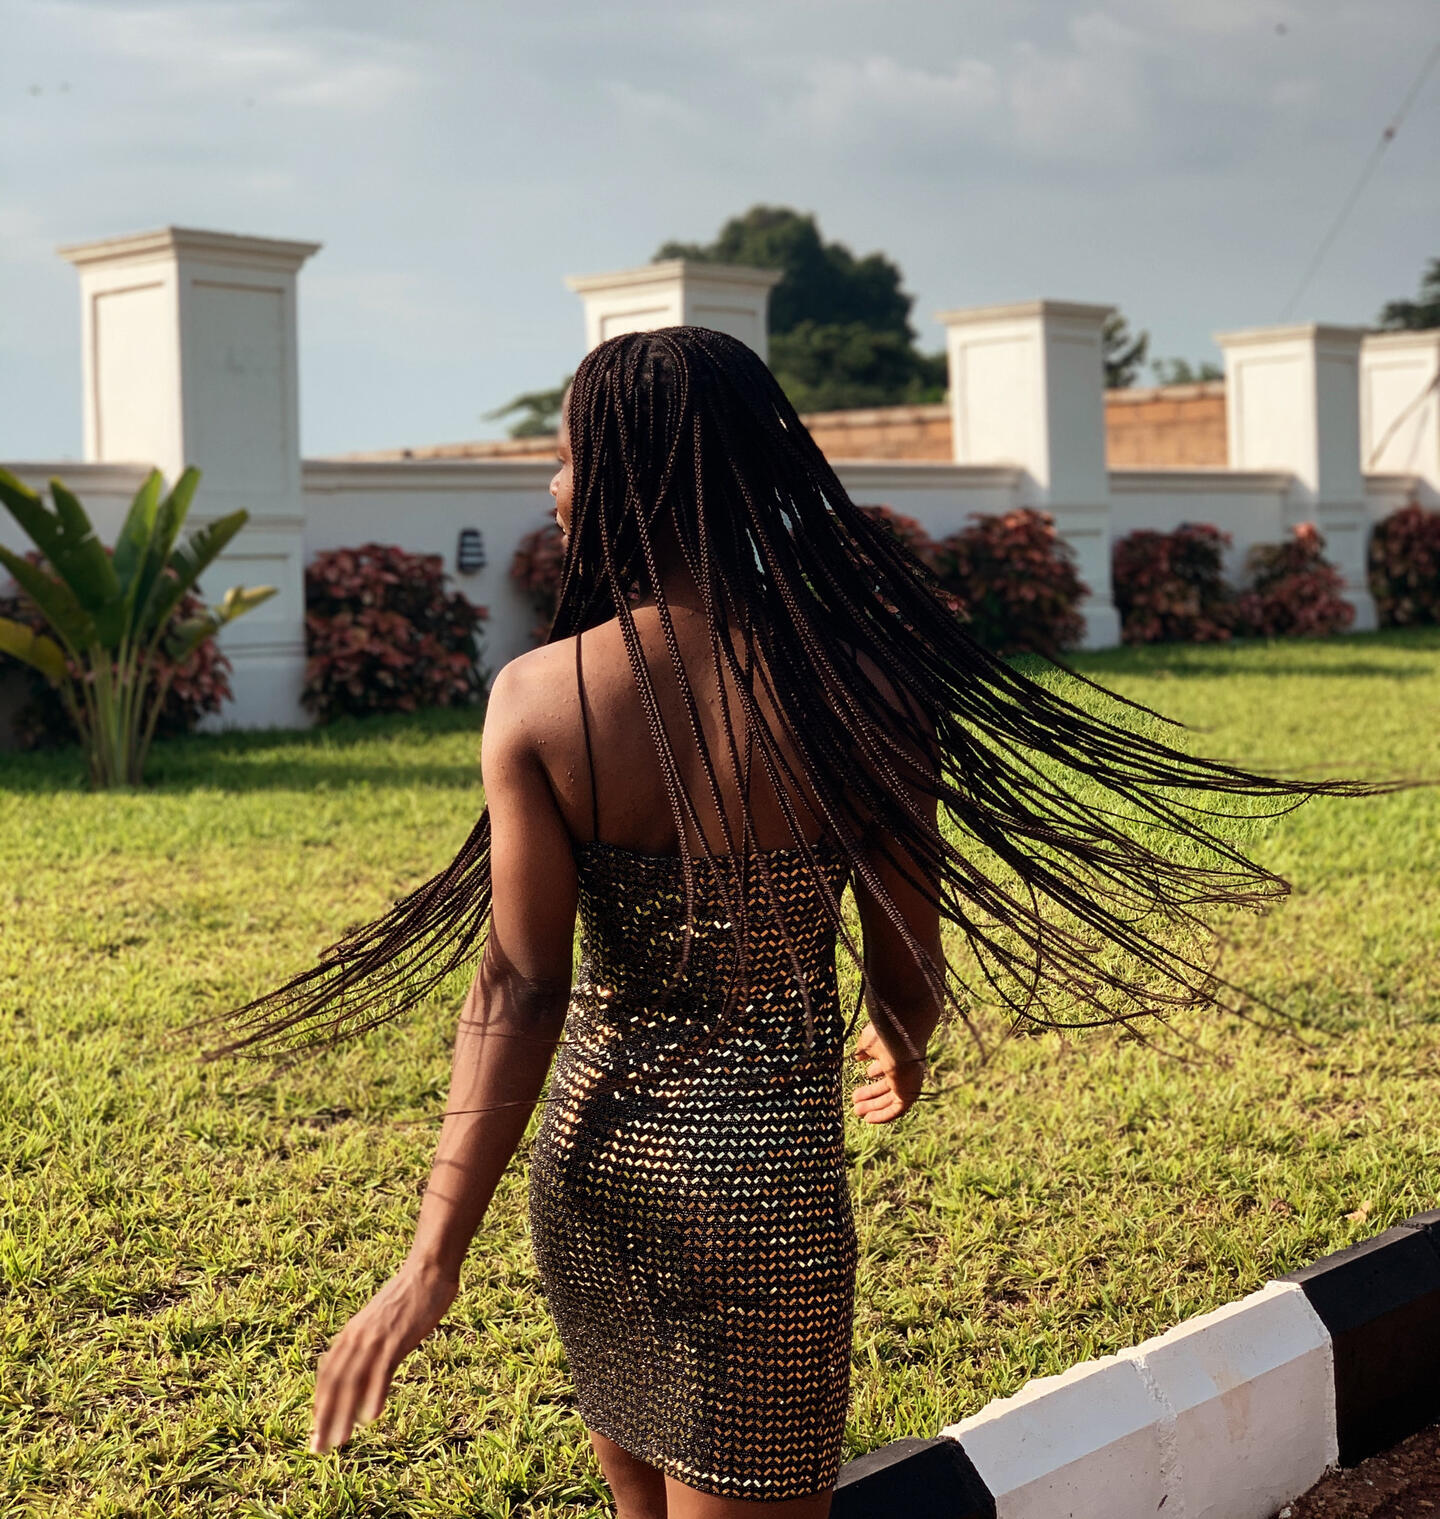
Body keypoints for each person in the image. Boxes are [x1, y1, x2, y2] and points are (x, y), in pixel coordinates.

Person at [214, 327, 1374, 1518]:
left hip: (595, 1168)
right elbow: (907, 948)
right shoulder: (863, 683)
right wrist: (900, 1032)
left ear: (629, 473)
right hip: (762, 1197)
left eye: (563, 457)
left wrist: (431, 1259)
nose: (552, 489)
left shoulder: (538, 697)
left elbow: (516, 991)